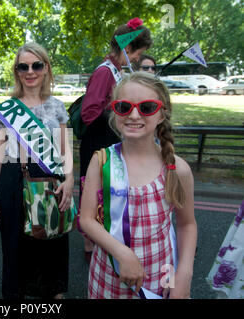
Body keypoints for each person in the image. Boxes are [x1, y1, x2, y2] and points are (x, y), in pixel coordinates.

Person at [79, 72, 197, 299]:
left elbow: (186, 225)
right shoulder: (101, 161)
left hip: (161, 275)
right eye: (124, 107)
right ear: (114, 111)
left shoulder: (177, 169)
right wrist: (121, 253)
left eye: (147, 107)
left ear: (162, 114)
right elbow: (86, 219)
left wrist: (184, 276)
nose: (134, 115)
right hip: (108, 274)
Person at [0, 43, 74, 299]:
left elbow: (65, 150)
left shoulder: (57, 106)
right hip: (13, 178)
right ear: (16, 71)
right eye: (23, 66)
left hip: (50, 176)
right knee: (15, 243)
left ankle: (52, 292)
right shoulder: (7, 109)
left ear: (46, 68)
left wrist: (69, 180)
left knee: (51, 238)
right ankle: (15, 294)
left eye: (36, 65)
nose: (30, 71)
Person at [80, 18, 153, 263]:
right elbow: (89, 113)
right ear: (127, 49)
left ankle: (105, 247)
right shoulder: (104, 72)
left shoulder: (116, 70)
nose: (137, 60)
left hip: (108, 141)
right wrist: (122, 110)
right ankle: (92, 255)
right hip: (98, 144)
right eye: (138, 54)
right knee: (96, 198)